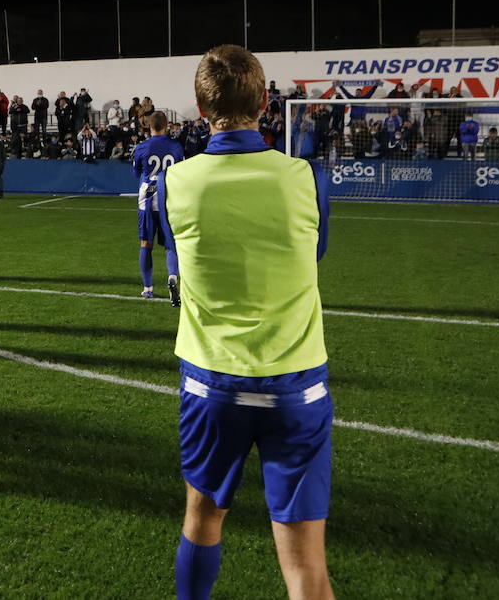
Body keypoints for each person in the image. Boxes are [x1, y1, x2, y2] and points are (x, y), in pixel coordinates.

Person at [159, 45, 334, 600]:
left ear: (199, 106)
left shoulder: (178, 182)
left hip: (211, 382)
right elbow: (315, 252)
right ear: (264, 102)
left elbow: (179, 256)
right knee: (306, 562)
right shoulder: (305, 177)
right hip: (296, 386)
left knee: (202, 517)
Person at [133, 111, 184, 302]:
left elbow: (136, 172)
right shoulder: (176, 147)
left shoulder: (141, 147)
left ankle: (148, 287)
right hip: (168, 198)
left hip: (146, 199)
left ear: (148, 125)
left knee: (146, 243)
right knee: (170, 243)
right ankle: (172, 276)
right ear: (167, 125)